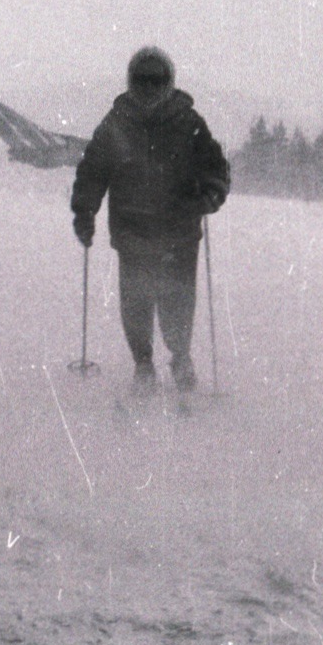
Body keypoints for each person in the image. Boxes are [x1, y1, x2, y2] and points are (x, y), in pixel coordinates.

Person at [70, 47, 229, 394]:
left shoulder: (189, 123)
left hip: (179, 233)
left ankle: (180, 357)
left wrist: (211, 194)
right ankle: (143, 364)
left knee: (177, 301)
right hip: (133, 233)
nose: (149, 88)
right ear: (131, 82)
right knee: (136, 303)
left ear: (169, 82)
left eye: (156, 80)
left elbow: (215, 167)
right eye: (143, 80)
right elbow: (93, 171)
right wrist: (84, 210)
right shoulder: (115, 124)